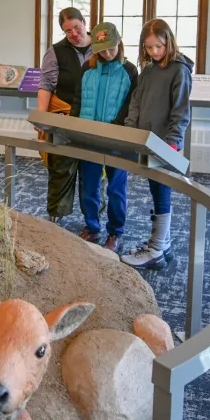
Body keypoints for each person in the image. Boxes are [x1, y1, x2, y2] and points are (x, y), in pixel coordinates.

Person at [121, 19, 193, 270]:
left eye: (159, 46)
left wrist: (172, 142)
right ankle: (163, 243)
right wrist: (131, 130)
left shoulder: (179, 70)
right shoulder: (148, 70)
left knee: (162, 193)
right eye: (149, 47)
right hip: (145, 141)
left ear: (169, 42)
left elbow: (181, 111)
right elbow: (136, 102)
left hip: (165, 144)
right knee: (155, 190)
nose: (154, 52)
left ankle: (156, 249)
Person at [75, 22, 138, 252]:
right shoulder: (87, 69)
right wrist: (74, 127)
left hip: (115, 139)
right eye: (101, 49)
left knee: (116, 187)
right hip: (89, 136)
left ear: (119, 43)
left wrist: (116, 127)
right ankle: (92, 227)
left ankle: (115, 232)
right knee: (89, 185)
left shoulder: (130, 71)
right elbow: (78, 100)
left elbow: (132, 105)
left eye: (111, 48)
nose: (107, 53)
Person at [36, 7, 94, 220]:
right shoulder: (55, 51)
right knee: (61, 167)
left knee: (92, 171)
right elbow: (46, 84)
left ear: (84, 22)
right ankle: (56, 215)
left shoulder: (101, 46)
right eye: (68, 31)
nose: (74, 34)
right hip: (64, 114)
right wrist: (41, 116)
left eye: (77, 28)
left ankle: (92, 221)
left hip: (92, 116)